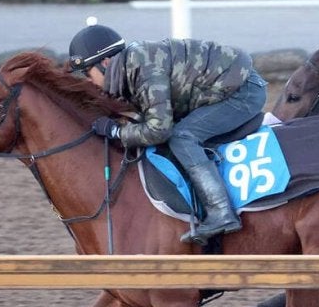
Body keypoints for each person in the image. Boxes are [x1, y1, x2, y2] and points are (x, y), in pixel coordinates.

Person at [67, 18, 268, 244]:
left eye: (87, 73)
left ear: (105, 62)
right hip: (224, 85)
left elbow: (159, 130)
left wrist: (116, 132)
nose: (88, 81)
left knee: (182, 137)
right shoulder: (130, 66)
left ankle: (221, 212)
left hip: (243, 92)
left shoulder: (143, 69)